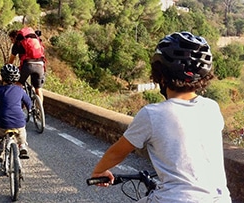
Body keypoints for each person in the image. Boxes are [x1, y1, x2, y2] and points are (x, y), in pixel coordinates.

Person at [90, 31, 232, 203]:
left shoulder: (152, 114)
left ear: (161, 76)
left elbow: (117, 152)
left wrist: (99, 171)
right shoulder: (211, 108)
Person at [0, 64, 32, 171]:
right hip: (18, 122)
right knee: (22, 130)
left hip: (3, 123)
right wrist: (29, 109)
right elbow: (28, 103)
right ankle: (22, 145)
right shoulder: (20, 90)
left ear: (2, 77)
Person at [8, 28, 46, 100]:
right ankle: (40, 110)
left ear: (14, 38)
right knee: (38, 89)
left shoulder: (17, 44)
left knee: (19, 83)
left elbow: (11, 61)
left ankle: (19, 103)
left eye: (11, 39)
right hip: (41, 65)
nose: (11, 42)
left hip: (28, 65)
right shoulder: (33, 40)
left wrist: (7, 67)